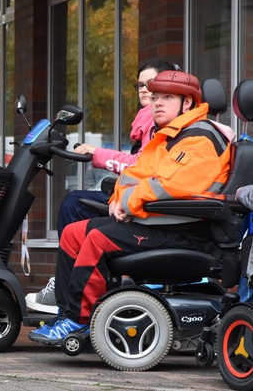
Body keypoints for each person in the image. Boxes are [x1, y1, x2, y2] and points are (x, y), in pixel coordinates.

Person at [29, 70, 232, 345]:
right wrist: (117, 199)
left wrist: (127, 202)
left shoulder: (200, 138)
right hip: (159, 222)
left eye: (168, 97)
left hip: (189, 230)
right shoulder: (169, 137)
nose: (157, 103)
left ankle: (79, 321)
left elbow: (169, 186)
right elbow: (134, 175)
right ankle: (66, 315)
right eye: (155, 97)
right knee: (73, 234)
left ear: (188, 104)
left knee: (97, 240)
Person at [26, 59, 178, 314]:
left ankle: (71, 292)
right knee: (75, 208)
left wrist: (98, 154)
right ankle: (70, 290)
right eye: (139, 85)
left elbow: (141, 168)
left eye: (150, 85)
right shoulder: (148, 122)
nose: (143, 90)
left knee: (74, 205)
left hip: (151, 210)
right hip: (137, 200)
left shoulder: (163, 126)